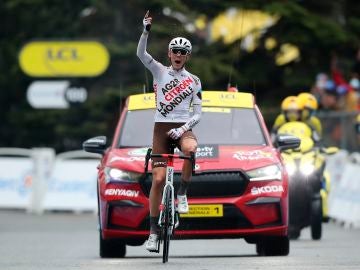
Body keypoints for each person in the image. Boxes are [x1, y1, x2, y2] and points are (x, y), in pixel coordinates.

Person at [136, 11, 202, 252]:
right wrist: (145, 32)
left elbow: (198, 113)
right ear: (169, 53)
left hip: (184, 126)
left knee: (191, 149)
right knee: (159, 179)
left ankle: (182, 193)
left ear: (188, 56)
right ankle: (153, 234)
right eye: (175, 51)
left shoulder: (194, 81)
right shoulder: (159, 71)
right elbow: (141, 54)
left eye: (183, 52)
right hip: (161, 127)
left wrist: (183, 129)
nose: (178, 55)